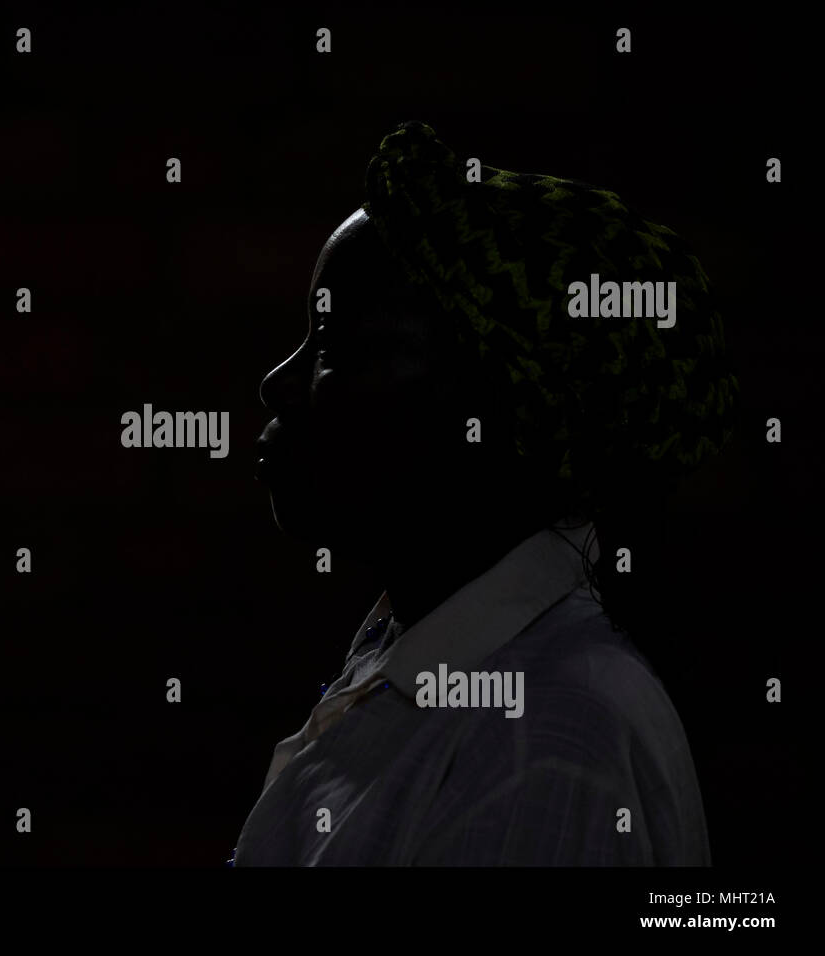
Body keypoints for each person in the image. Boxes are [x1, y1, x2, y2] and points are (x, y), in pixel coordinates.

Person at [234, 120, 737, 866]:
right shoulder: (423, 659)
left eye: (335, 351)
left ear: (499, 415)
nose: (277, 382)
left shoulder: (547, 749)